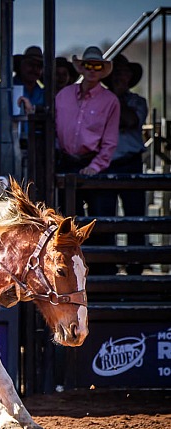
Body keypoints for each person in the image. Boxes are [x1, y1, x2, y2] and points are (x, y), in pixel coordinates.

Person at [55, 46, 120, 274]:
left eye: (97, 66)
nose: (92, 70)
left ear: (102, 70)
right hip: (66, 161)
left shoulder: (110, 100)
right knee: (63, 219)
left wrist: (95, 166)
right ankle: (64, 270)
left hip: (93, 163)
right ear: (81, 67)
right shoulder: (63, 95)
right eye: (89, 65)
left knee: (98, 221)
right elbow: (52, 127)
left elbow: (110, 140)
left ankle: (103, 272)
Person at [103, 53, 148, 275]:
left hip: (130, 162)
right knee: (105, 216)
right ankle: (107, 265)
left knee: (135, 216)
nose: (121, 76)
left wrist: (117, 96)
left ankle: (136, 264)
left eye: (125, 72)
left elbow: (131, 120)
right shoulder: (100, 102)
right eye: (117, 73)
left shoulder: (138, 102)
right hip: (106, 163)